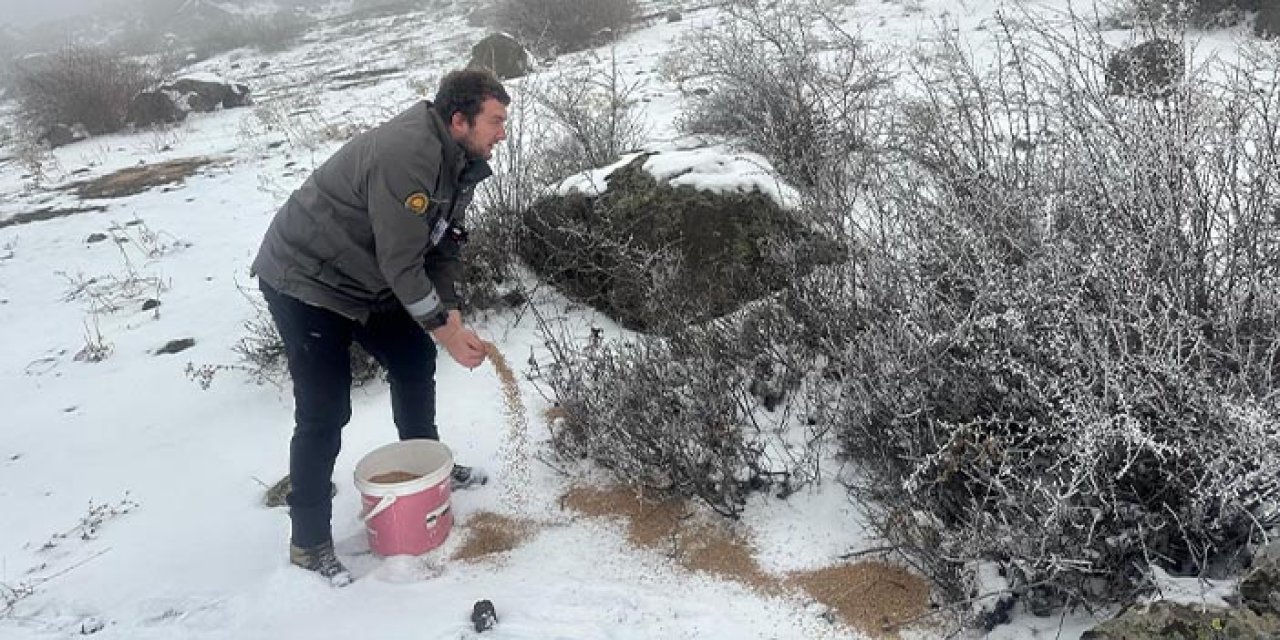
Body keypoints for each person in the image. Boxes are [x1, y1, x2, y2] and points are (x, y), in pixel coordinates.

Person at [250, 68, 509, 586]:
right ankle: (308, 542)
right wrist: (444, 329)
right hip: (308, 280)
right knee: (325, 408)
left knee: (413, 361)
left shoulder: (460, 162)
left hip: (364, 277)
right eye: (496, 121)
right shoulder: (408, 155)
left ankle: (425, 466)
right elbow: (401, 263)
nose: (502, 132)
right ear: (459, 119)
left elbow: (441, 246)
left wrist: (449, 314)